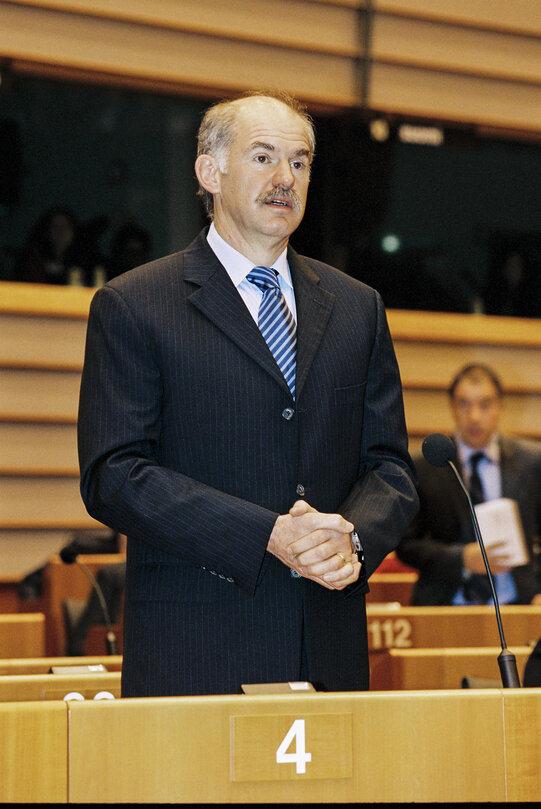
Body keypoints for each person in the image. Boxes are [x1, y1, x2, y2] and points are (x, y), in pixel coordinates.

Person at [77, 90, 418, 697]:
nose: (285, 178)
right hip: (197, 652)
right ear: (210, 171)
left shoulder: (356, 308)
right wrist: (265, 534)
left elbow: (389, 468)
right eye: (263, 157)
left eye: (300, 161)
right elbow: (114, 474)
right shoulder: (135, 305)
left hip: (328, 646)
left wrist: (353, 539)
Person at [396, 363, 541, 605]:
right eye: (464, 404)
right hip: (444, 604)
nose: (474, 416)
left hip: (518, 603)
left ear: (500, 407)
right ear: (452, 407)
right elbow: (405, 545)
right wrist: (461, 558)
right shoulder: (425, 465)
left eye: (485, 404)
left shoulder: (532, 463)